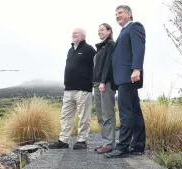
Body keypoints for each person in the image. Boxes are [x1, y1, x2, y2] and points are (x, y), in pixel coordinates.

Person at [103, 5, 146, 158]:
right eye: (116, 14)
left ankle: (123, 147)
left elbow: (139, 48)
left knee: (126, 112)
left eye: (120, 13)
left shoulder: (135, 27)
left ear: (129, 14)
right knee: (134, 112)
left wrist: (136, 69)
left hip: (129, 76)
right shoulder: (123, 32)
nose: (117, 15)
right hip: (123, 78)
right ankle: (138, 146)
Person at [49, 28, 96, 149]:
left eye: (76, 33)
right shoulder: (70, 50)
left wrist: (92, 82)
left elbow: (96, 66)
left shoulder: (89, 49)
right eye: (73, 33)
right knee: (65, 115)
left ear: (83, 36)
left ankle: (82, 140)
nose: (73, 34)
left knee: (83, 116)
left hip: (83, 88)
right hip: (69, 89)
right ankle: (63, 140)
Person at [92, 23, 117, 154]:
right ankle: (105, 142)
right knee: (101, 114)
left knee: (108, 113)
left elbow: (108, 64)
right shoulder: (101, 47)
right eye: (98, 30)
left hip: (106, 83)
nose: (99, 32)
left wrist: (102, 81)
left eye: (102, 29)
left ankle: (110, 143)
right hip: (97, 83)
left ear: (109, 31)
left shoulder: (111, 45)